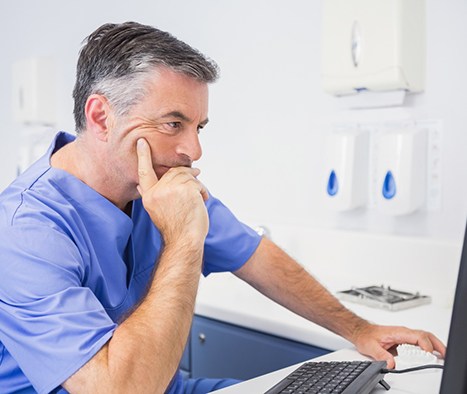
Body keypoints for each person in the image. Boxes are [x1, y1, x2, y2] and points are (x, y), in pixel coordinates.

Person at [0, 21, 445, 394]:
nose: (192, 149)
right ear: (100, 117)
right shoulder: (24, 230)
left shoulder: (156, 186)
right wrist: (183, 239)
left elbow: (256, 255)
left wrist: (358, 329)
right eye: (173, 123)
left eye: (198, 127)